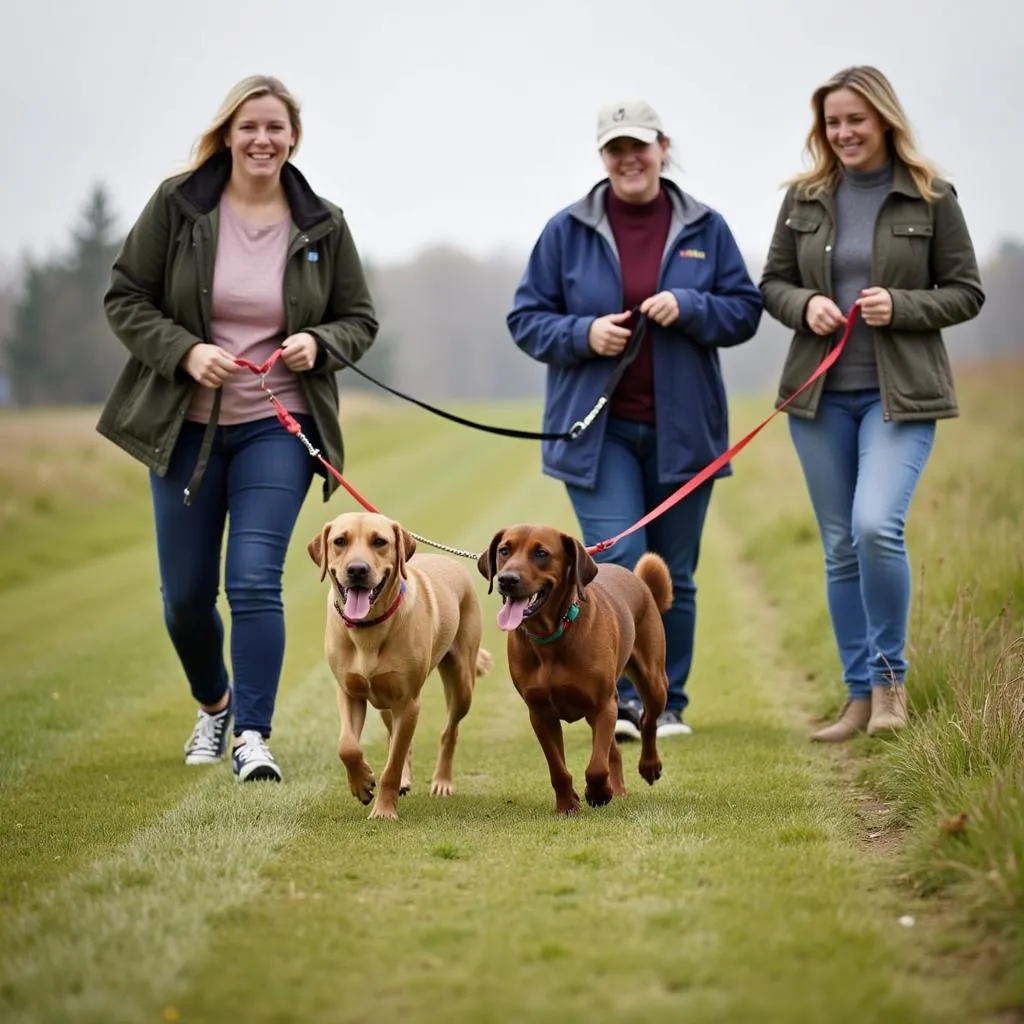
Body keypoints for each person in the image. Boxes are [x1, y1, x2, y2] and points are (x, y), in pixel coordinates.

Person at [99, 75, 378, 780]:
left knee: (254, 581)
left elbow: (359, 319)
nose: (262, 140)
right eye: (249, 126)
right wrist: (185, 351)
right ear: (228, 133)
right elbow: (125, 298)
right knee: (187, 598)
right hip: (182, 430)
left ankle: (253, 734)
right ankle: (215, 703)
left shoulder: (323, 223)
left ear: (293, 138)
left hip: (276, 429)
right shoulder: (178, 205)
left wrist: (320, 343)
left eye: (275, 128)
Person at [507, 100, 763, 740]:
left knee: (674, 574)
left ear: (662, 147)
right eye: (616, 149)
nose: (629, 159)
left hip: (685, 435)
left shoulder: (706, 226)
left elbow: (745, 311)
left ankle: (666, 701)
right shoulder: (566, 230)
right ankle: (616, 699)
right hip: (596, 435)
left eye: (639, 146)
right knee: (618, 558)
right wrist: (584, 333)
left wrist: (692, 304)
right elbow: (526, 319)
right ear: (603, 157)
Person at [760, 66, 984, 742]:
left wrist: (903, 306)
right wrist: (808, 304)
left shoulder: (931, 195)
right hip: (819, 397)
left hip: (900, 399)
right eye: (833, 122)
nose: (844, 132)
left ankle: (891, 685)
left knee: (874, 527)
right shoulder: (804, 197)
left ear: (884, 118)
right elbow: (772, 282)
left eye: (855, 119)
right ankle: (857, 699)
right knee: (839, 549)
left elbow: (967, 291)